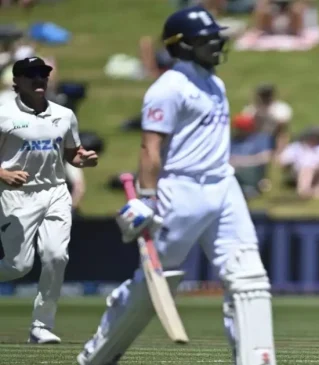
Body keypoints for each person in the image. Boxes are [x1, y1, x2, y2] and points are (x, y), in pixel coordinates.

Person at [78, 6, 276, 365]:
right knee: (155, 283)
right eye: (206, 40)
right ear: (181, 46)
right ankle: (96, 358)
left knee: (248, 277)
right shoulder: (167, 88)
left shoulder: (214, 82)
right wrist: (147, 198)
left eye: (216, 37)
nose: (216, 45)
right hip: (180, 191)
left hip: (223, 185)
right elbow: (150, 148)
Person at [0, 57, 98, 344]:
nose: (39, 79)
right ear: (16, 82)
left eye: (43, 74)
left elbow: (71, 153)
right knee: (19, 266)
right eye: (31, 75)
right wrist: (3, 174)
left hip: (55, 191)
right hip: (17, 196)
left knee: (57, 256)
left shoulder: (64, 114)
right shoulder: (3, 114)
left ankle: (41, 325)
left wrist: (84, 159)